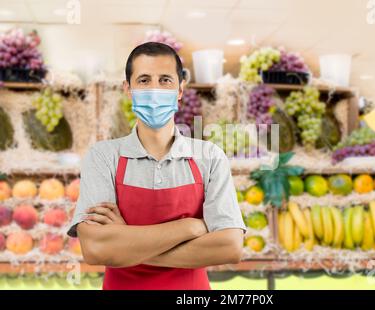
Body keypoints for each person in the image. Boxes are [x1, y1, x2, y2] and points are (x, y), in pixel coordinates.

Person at [67, 42, 246, 290]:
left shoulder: (210, 156)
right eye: (143, 80)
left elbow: (230, 247)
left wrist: (126, 243)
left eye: (164, 80)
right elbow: (96, 249)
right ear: (127, 89)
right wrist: (190, 227)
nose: (154, 89)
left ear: (180, 89)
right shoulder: (103, 156)